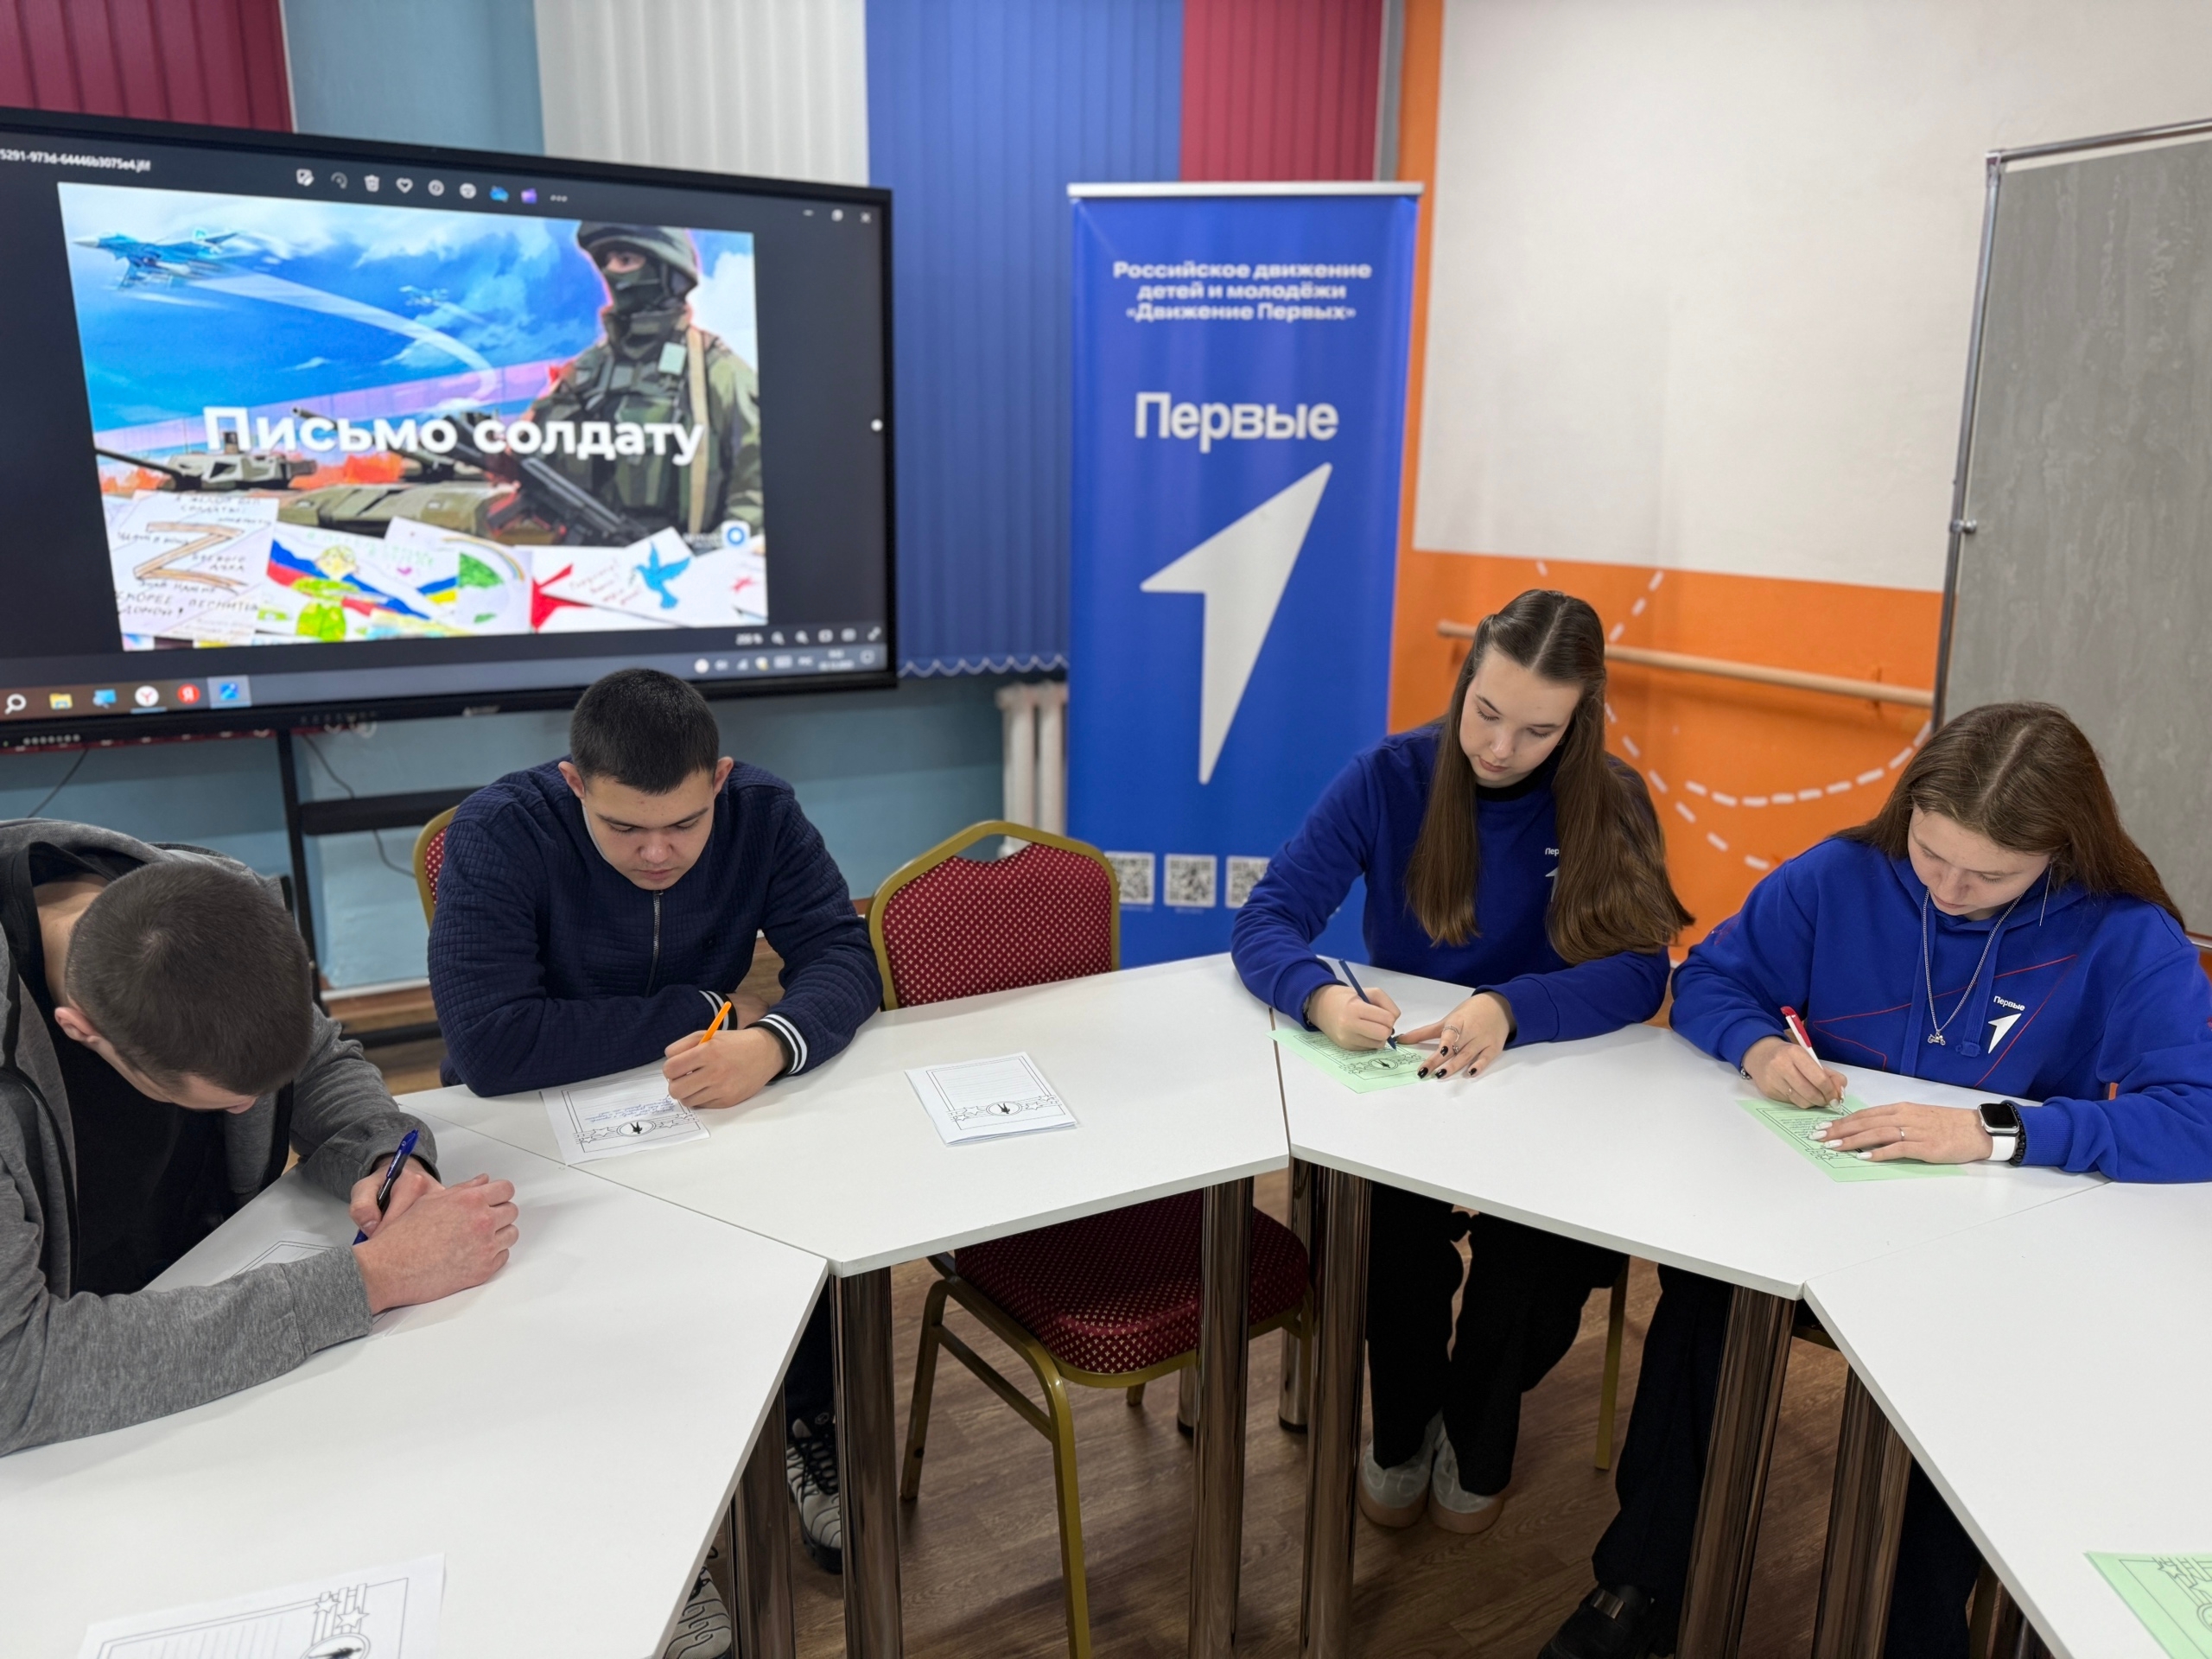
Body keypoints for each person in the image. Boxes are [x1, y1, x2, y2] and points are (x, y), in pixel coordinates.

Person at [1541, 702, 2212, 1659]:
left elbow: (2196, 1115)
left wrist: (1993, 1132)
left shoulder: (2124, 934)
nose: (1947, 888)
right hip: (1806, 1207)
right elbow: (1711, 979)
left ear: (2061, 849)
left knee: (1963, 1388)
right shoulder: (1842, 873)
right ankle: (1641, 1584)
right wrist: (1758, 1047)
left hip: (1991, 1246)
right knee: (1703, 1294)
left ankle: (1915, 1635)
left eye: (1989, 875)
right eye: (1930, 854)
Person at [1231, 588, 1692, 1535]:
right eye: (1485, 713)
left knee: (1536, 1262)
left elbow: (1642, 968)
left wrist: (1513, 1007)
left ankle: (1479, 1430)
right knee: (1385, 1246)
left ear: (1580, 719)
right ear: (1465, 680)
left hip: (1549, 1097)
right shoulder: (1388, 777)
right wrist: (1320, 998)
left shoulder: (1610, 797)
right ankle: (1404, 1427)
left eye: (1537, 731)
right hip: (1412, 1095)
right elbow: (1268, 918)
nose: (1499, 747)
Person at [428, 666, 880, 1590]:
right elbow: (491, 1045)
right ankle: (653, 1537)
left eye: (684, 823)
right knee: (588, 1316)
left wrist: (777, 1043)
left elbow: (843, 955)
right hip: (534, 1121)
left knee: (804, 1222)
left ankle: (805, 1423)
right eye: (624, 828)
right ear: (574, 785)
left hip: (703, 1097)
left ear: (719, 780)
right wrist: (703, 1007)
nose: (658, 853)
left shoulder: (761, 811)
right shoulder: (498, 830)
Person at [0, 824, 517, 1456]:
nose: (252, 1108)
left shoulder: (218, 912)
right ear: (83, 1032)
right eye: (226, 1101)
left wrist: (384, 1155)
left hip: (211, 1288)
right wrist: (374, 1278)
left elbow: (317, 1063)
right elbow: (15, 1377)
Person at [527, 222, 762, 545]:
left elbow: (755, 492)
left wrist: (713, 554)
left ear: (665, 271)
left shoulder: (716, 371)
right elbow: (533, 460)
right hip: (587, 561)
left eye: (625, 260)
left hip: (686, 563)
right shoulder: (586, 371)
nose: (612, 272)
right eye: (606, 262)